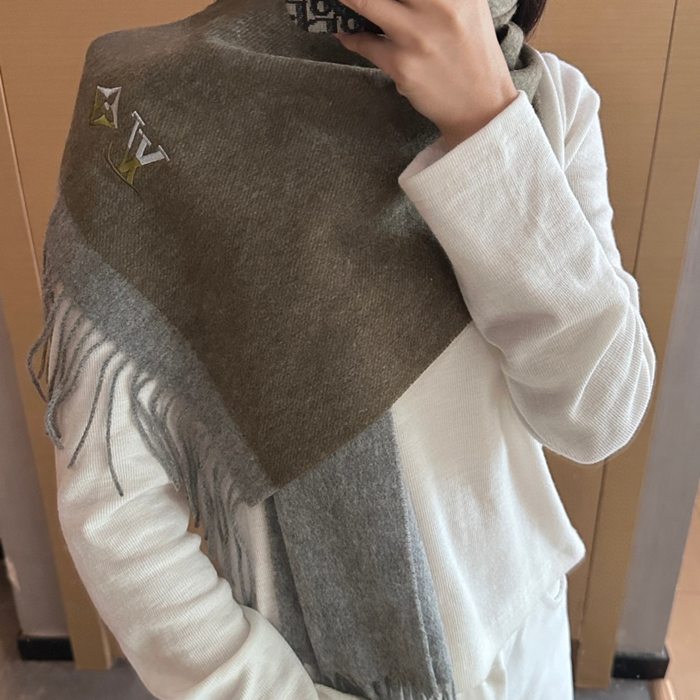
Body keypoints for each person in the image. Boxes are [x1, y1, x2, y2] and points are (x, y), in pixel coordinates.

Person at [36, 0, 656, 698]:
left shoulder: (547, 101)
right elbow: (113, 507)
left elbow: (598, 417)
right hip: (312, 674)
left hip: (526, 635)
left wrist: (487, 126)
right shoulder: (160, 107)